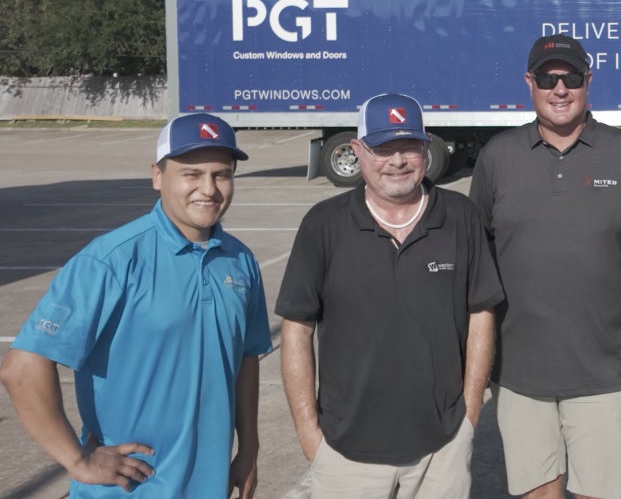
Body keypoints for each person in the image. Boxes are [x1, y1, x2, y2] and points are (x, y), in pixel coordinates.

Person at [0, 114, 272, 498]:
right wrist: (78, 461)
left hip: (209, 487)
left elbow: (246, 358)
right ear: (157, 176)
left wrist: (249, 450)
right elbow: (22, 369)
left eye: (221, 175)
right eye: (191, 174)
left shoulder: (240, 261)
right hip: (129, 490)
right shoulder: (110, 260)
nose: (208, 189)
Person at [469, 34, 621, 499]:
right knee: (538, 493)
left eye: (571, 78)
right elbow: (475, 263)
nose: (559, 89)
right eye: (547, 78)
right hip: (518, 374)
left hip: (603, 374)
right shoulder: (498, 156)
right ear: (529, 82)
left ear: (588, 81)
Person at [276, 93, 503, 499]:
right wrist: (310, 435)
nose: (397, 161)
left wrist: (470, 414)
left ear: (427, 147)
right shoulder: (323, 224)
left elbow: (480, 314)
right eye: (383, 148)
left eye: (408, 147)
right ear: (358, 150)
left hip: (442, 447)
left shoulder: (460, 217)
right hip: (345, 451)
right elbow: (297, 329)